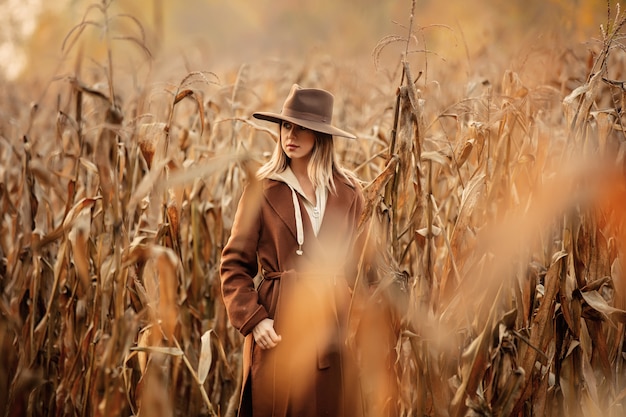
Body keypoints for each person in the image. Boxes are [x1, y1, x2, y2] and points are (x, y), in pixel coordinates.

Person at [220, 84, 366, 417]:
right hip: (278, 322)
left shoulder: (349, 192)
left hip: (333, 326)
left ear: (321, 136)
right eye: (287, 125)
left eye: (302, 127)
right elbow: (233, 266)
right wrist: (255, 321)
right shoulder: (262, 188)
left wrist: (362, 324)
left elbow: (360, 268)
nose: (292, 134)